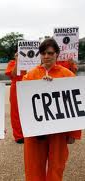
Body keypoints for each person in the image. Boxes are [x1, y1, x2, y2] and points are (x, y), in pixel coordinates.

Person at [22, 38, 81, 181]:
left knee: (56, 166)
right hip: (36, 130)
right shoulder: (29, 76)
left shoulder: (68, 75)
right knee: (33, 167)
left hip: (58, 131)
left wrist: (74, 133)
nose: (46, 56)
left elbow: (76, 105)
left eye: (50, 53)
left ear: (57, 54)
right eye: (43, 53)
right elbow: (23, 102)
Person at [5, 51, 24, 144]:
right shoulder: (12, 63)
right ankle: (19, 136)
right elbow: (13, 75)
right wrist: (17, 61)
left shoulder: (34, 62)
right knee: (16, 112)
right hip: (16, 87)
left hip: (30, 87)